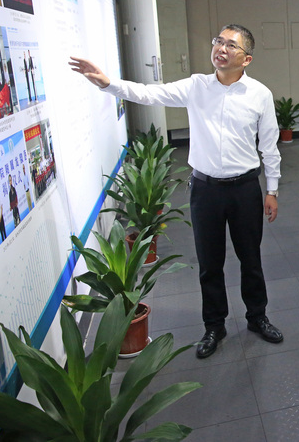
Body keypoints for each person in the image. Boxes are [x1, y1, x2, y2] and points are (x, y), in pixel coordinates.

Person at [69, 24, 284, 359]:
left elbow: (269, 145)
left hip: (244, 189)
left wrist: (272, 189)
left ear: (247, 59)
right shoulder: (197, 86)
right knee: (209, 263)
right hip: (205, 190)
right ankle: (214, 326)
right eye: (218, 41)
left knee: (250, 259)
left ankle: (257, 317)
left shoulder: (260, 94)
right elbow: (150, 93)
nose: (221, 48)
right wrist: (108, 83)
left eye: (231, 45)